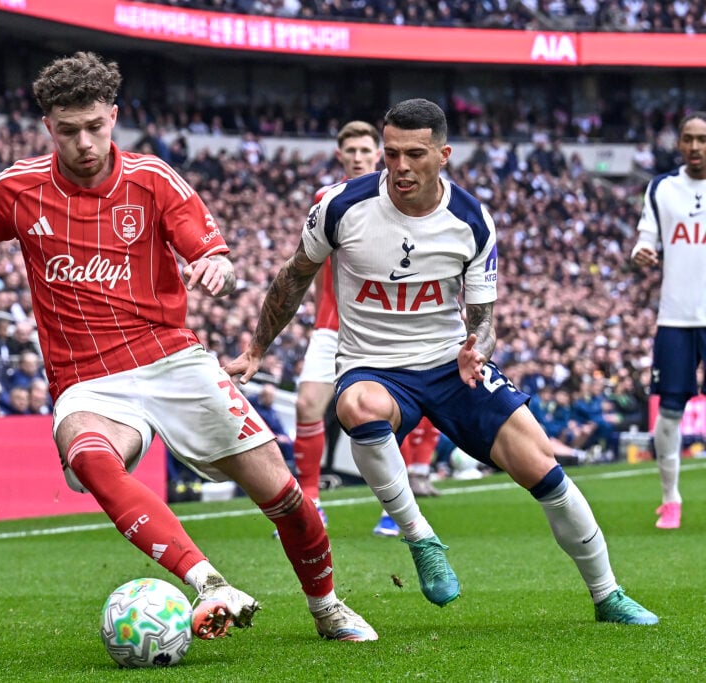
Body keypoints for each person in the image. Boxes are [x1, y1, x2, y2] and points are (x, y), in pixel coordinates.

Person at [0, 51, 376, 642]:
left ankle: (327, 606)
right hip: (86, 378)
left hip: (173, 359)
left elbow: (217, 258)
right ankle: (208, 582)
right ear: (47, 128)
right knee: (88, 457)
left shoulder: (154, 180)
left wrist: (215, 267)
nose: (84, 142)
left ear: (113, 117)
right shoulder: (17, 189)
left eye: (95, 126)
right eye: (68, 130)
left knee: (286, 499)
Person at [226, 98, 658, 626]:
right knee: (357, 406)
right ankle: (421, 539)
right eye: (391, 154)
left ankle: (608, 594)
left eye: (414, 154)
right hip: (373, 364)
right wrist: (255, 350)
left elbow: (483, 317)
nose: (400, 167)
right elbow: (294, 276)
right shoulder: (340, 206)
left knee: (541, 465)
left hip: (449, 366)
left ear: (443, 154)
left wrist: (479, 347)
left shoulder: (471, 220)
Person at [291, 121, 383, 532]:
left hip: (384, 328)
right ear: (341, 156)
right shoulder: (325, 199)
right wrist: (319, 320)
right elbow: (314, 269)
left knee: (386, 415)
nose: (359, 157)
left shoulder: (396, 198)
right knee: (307, 404)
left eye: (366, 150)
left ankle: (395, 508)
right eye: (352, 151)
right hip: (332, 325)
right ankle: (310, 501)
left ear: (378, 154)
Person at [630, 110, 706, 531]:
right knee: (671, 410)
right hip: (676, 317)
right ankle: (670, 499)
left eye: (702, 139)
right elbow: (645, 240)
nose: (695, 147)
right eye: (688, 139)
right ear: (678, 143)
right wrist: (639, 254)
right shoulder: (662, 188)